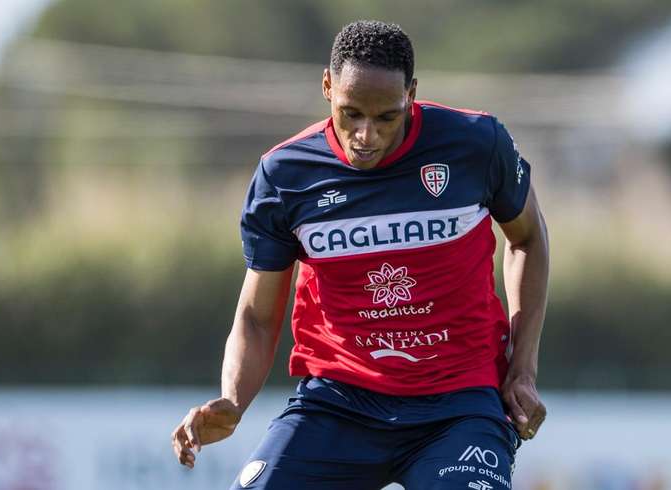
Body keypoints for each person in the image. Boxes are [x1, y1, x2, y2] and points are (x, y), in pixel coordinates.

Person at [171, 20, 549, 490]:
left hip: (459, 404)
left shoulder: (476, 144)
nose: (366, 135)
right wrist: (233, 399)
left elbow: (528, 238)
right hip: (338, 405)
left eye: (385, 117)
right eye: (350, 113)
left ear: (411, 94)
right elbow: (256, 316)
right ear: (327, 86)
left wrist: (523, 369)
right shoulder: (285, 174)